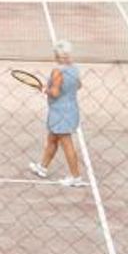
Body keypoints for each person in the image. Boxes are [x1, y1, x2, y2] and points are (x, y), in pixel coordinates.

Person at [28, 41, 88, 187]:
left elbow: (55, 92)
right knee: (52, 139)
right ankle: (42, 167)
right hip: (71, 109)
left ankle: (76, 177)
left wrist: (44, 90)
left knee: (67, 144)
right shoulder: (74, 68)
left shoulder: (57, 71)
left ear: (56, 55)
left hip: (60, 112)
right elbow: (79, 85)